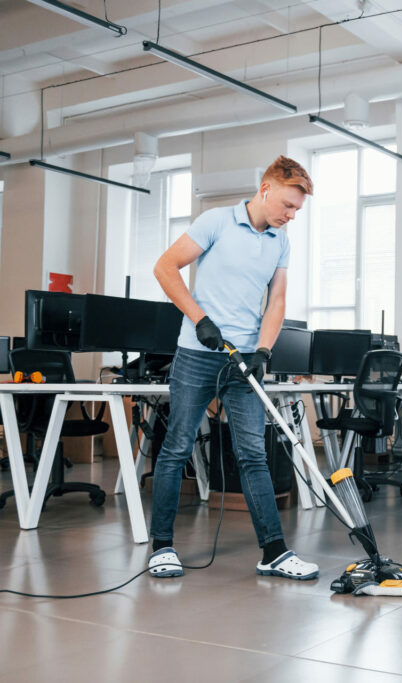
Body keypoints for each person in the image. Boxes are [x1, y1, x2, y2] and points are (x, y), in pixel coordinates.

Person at [148, 156, 319, 581]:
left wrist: (263, 350)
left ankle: (274, 553)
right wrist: (199, 318)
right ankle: (162, 547)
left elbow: (277, 300)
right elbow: (165, 268)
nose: (290, 216)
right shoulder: (216, 222)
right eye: (287, 205)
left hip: (244, 362)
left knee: (253, 455)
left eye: (297, 209)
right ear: (265, 190)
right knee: (176, 447)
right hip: (196, 353)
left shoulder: (280, 240)